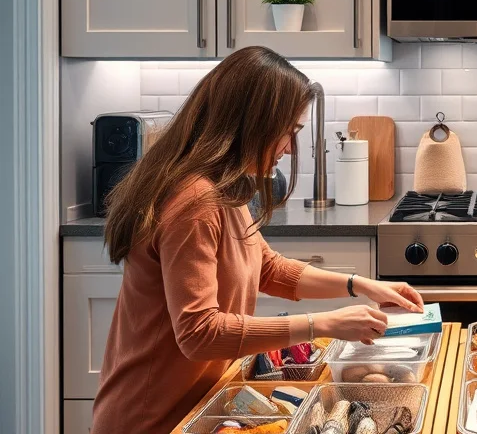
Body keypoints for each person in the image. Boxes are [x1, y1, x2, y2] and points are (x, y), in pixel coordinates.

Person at [92, 46, 425, 433]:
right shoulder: (193, 202)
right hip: (151, 417)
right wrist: (323, 324)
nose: (290, 148)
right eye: (288, 132)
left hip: (195, 406)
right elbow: (200, 334)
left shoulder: (220, 187)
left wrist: (360, 285)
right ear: (251, 123)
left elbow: (266, 267)